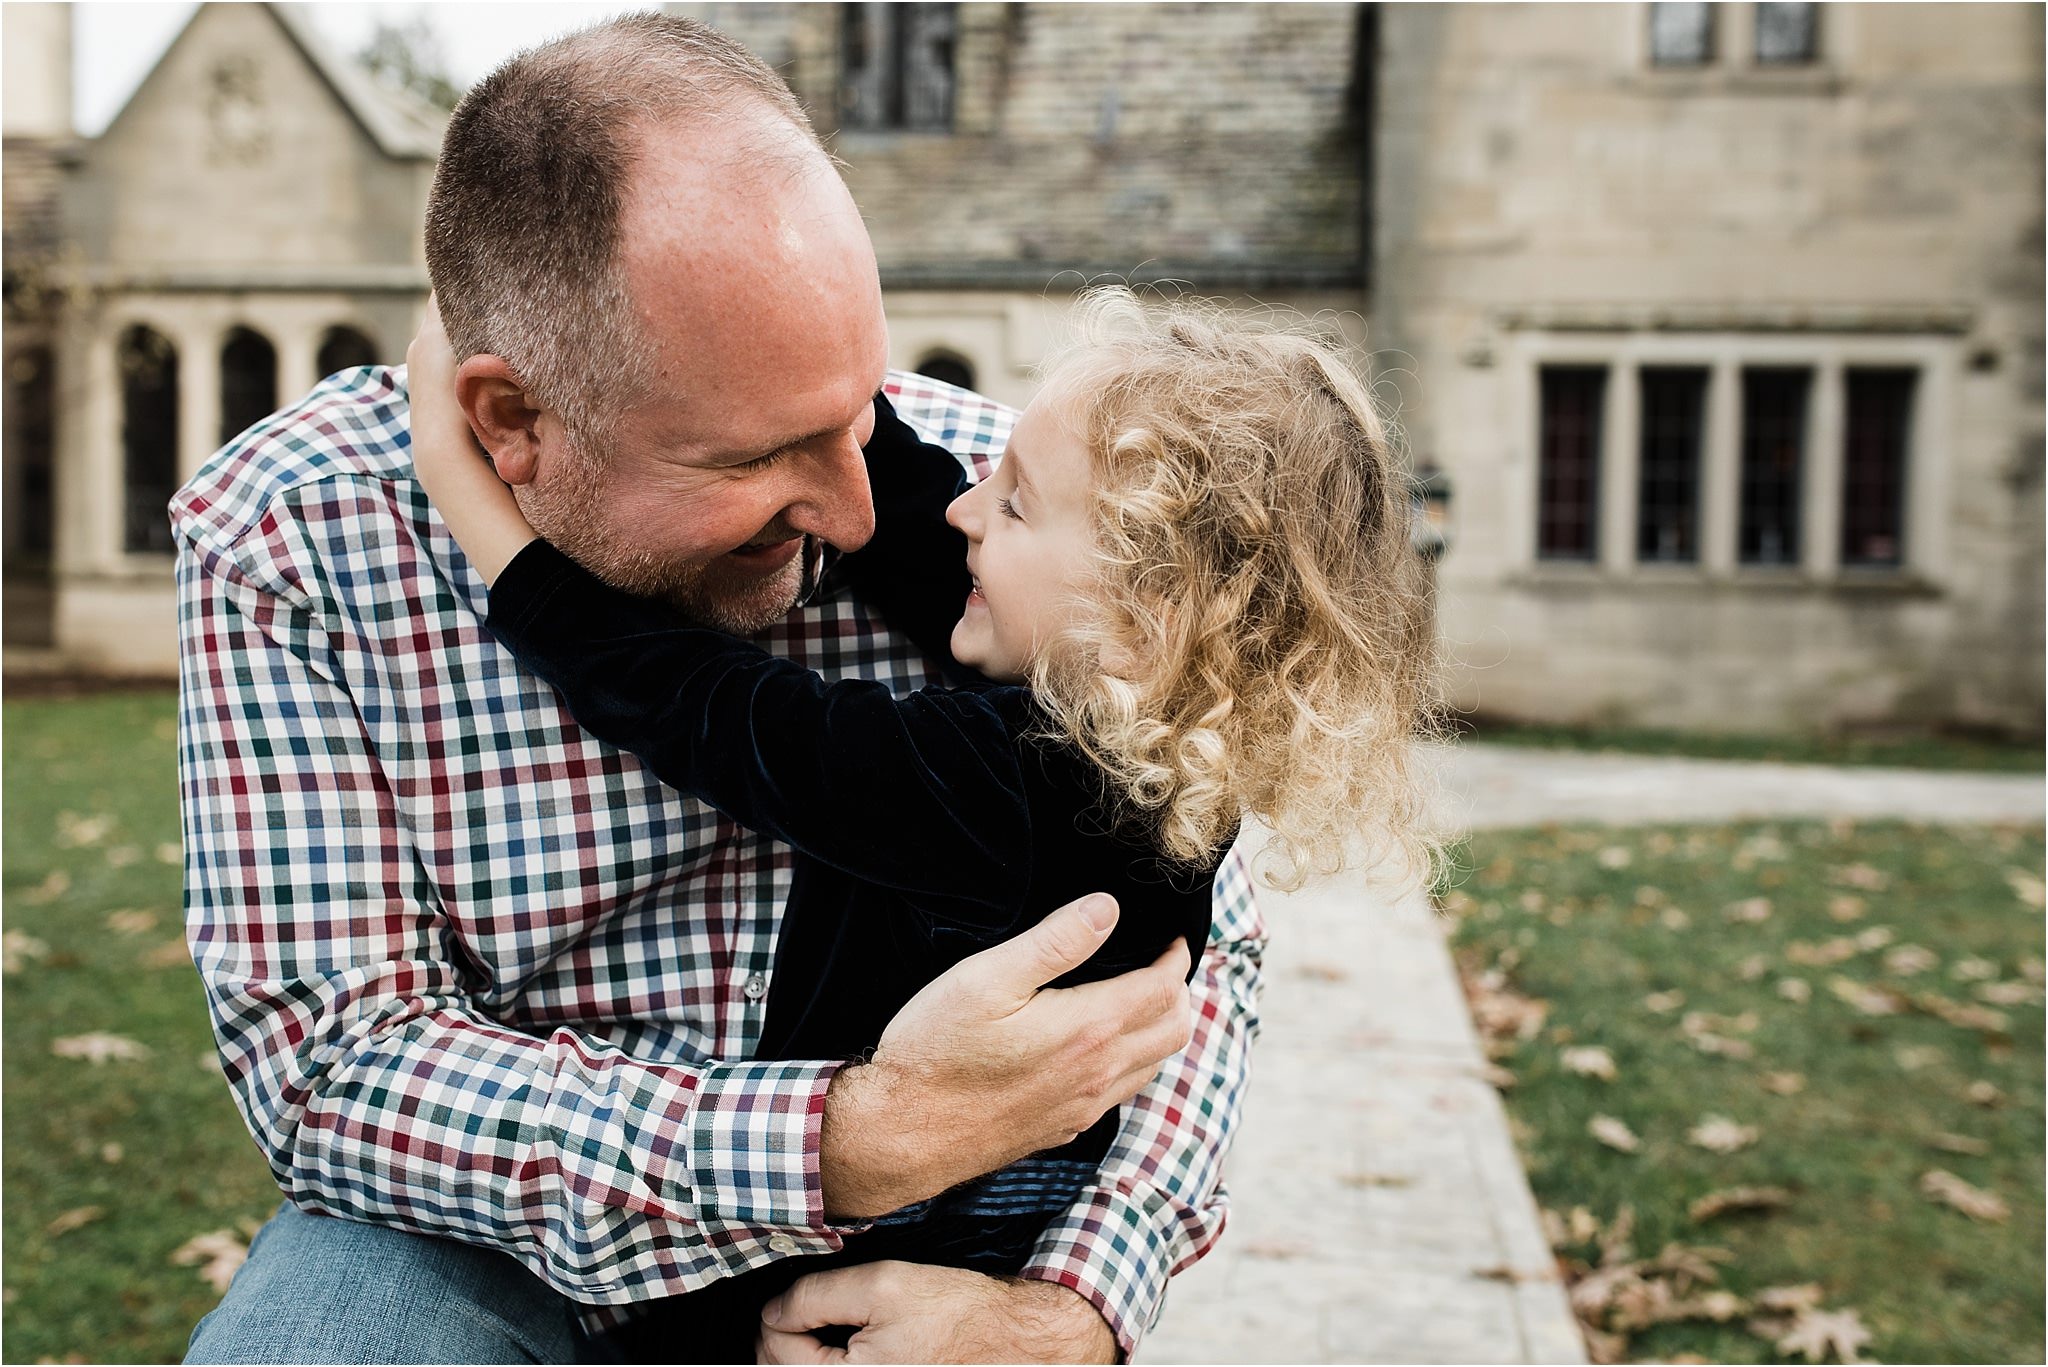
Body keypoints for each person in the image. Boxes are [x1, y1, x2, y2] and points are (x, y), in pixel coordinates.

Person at [173, 14, 1264, 1365]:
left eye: (859, 407)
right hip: (491, 1234)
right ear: (508, 420)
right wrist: (845, 1139)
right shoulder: (289, 537)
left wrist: (1071, 1306)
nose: (868, 512)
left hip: (946, 1236)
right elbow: (337, 1064)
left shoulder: (1019, 517)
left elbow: (1208, 944)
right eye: (761, 455)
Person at [402, 283, 1440, 1362]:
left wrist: (468, 494)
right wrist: (812, 376)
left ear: (1145, 610)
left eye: (1015, 502)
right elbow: (913, 522)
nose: (964, 511)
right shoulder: (1134, 752)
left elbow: (700, 706)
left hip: (858, 1278)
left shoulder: (1010, 791)